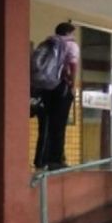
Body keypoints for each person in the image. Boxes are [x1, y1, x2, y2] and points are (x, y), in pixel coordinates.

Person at [33, 22, 79, 170]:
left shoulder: (46, 43)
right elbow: (73, 65)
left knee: (45, 124)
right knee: (59, 124)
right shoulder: (71, 45)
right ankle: (56, 159)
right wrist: (72, 85)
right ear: (69, 33)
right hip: (60, 87)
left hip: (44, 87)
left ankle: (40, 159)